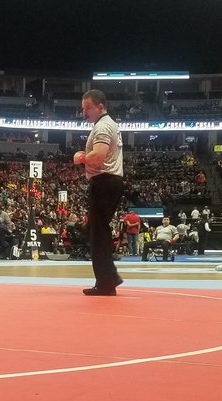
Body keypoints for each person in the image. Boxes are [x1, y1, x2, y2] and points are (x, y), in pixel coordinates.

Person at [73, 89, 124, 295]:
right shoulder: (107, 124)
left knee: (98, 234)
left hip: (104, 181)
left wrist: (80, 157)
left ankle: (105, 283)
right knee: (97, 230)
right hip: (109, 181)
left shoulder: (102, 126)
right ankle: (110, 276)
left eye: (87, 108)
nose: (84, 112)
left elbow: (98, 156)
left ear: (100, 106)